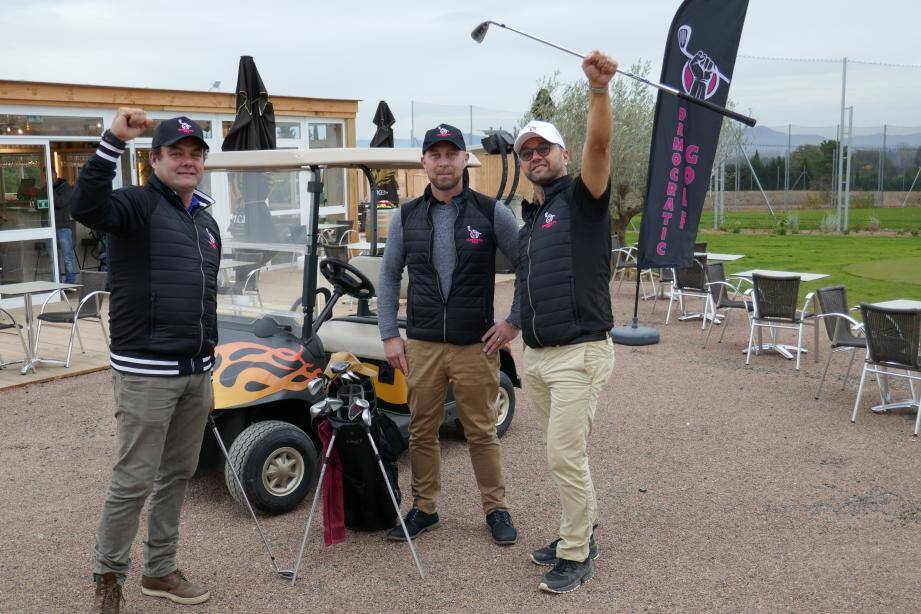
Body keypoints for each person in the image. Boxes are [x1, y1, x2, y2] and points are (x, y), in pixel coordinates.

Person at [71, 108, 220, 612]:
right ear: (153, 159)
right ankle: (108, 576)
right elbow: (85, 203)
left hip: (196, 373)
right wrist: (113, 139)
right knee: (133, 479)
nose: (186, 161)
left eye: (194, 153)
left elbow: (203, 296)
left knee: (177, 475)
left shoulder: (204, 218)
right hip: (145, 373)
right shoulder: (136, 206)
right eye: (175, 153)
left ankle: (159, 571)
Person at [377, 123, 522, 546]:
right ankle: (425, 508)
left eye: (451, 153)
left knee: (480, 430)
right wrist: (390, 334)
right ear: (423, 161)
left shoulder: (492, 212)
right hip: (421, 344)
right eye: (434, 154)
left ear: (464, 159)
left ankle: (496, 509)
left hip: (475, 345)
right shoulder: (405, 216)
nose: (443, 162)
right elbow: (388, 278)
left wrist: (514, 321)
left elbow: (528, 263)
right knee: (422, 430)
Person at [515, 51, 618, 594]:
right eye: (526, 150)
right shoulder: (532, 217)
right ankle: (573, 529)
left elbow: (600, 147)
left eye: (544, 148)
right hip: (539, 356)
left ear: (563, 153)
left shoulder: (583, 198)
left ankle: (577, 552)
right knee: (562, 454)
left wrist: (598, 92)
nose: (535, 155)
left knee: (563, 453)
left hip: (579, 353)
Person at [52, 170, 78, 284]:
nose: (48, 178)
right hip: (50, 228)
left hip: (63, 227)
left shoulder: (67, 188)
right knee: (53, 257)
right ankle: (56, 280)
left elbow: (59, 203)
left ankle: (70, 281)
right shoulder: (47, 188)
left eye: (50, 175)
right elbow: (40, 204)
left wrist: (50, 189)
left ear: (56, 175)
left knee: (67, 257)